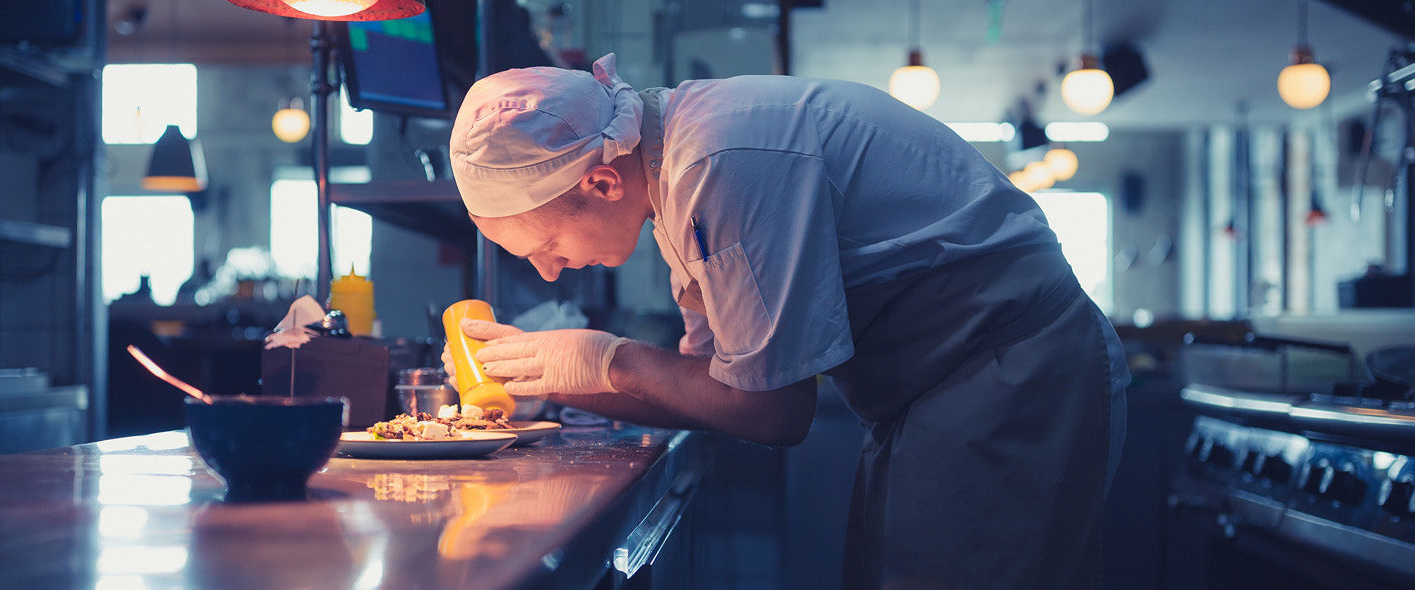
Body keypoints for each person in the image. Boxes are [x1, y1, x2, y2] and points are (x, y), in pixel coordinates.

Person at [442, 53, 1129, 588]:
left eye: (545, 247)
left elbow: (772, 411)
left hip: (1013, 376)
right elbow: (713, 385)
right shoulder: (675, 173)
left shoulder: (719, 163)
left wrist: (606, 361)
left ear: (600, 182)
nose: (550, 273)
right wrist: (552, 376)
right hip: (934, 396)